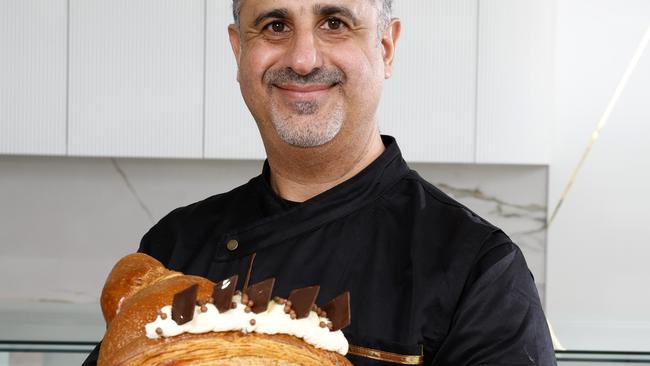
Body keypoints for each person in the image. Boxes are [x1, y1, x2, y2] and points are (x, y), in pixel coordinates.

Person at [83, 0, 556, 364]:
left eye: (335, 23)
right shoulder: (176, 243)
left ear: (385, 48)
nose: (304, 59)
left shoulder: (477, 270)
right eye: (275, 25)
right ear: (239, 51)